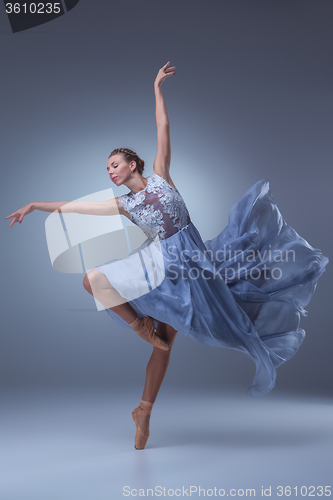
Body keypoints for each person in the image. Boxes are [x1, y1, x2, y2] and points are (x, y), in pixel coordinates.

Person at [5, 62, 329, 451]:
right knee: (94, 279)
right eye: (106, 167)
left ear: (133, 164)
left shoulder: (161, 175)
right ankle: (140, 327)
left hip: (193, 262)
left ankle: (143, 411)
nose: (110, 171)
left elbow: (163, 129)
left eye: (115, 164)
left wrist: (157, 89)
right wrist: (36, 205)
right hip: (160, 264)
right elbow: (75, 207)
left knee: (166, 344)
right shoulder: (124, 204)